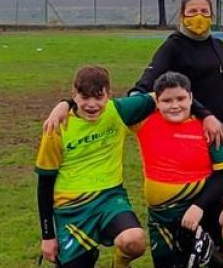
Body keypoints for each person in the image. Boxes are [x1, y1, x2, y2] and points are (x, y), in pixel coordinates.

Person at [43, 0, 223, 146]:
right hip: (192, 133)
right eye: (192, 12)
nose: (198, 16)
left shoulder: (217, 45)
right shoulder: (174, 46)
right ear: (182, 16)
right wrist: (68, 104)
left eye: (204, 11)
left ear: (211, 16)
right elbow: (146, 83)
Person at [35, 66, 152, 268]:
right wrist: (48, 236)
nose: (91, 105)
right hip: (71, 210)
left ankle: (120, 262)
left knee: (134, 240)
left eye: (98, 97)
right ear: (74, 94)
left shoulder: (120, 111)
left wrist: (207, 116)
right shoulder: (56, 127)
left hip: (109, 199)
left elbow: (166, 95)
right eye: (84, 97)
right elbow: (44, 184)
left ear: (109, 95)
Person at [134, 72, 223, 268]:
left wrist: (199, 206)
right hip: (164, 217)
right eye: (167, 100)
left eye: (180, 98)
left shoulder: (212, 128)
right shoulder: (143, 121)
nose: (175, 105)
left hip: (204, 204)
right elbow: (107, 108)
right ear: (157, 102)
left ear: (191, 98)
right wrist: (67, 104)